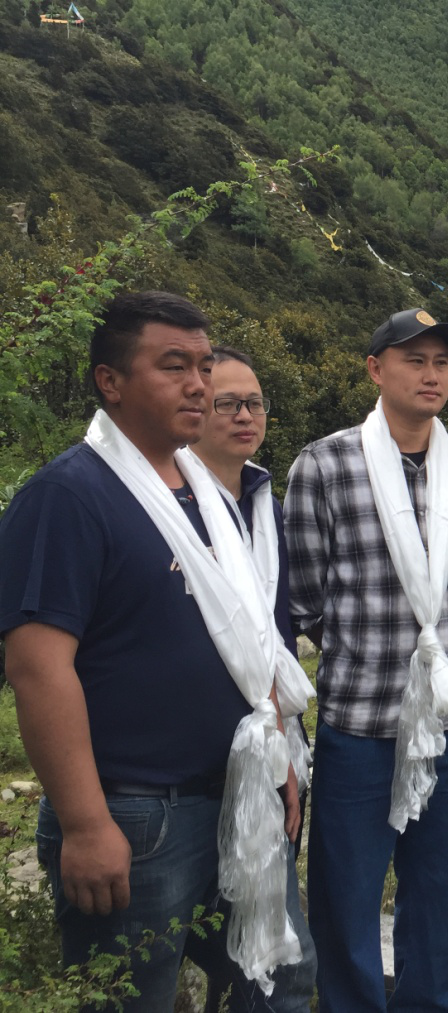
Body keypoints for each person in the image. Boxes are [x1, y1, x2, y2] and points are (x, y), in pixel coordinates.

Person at [0, 291, 315, 1011]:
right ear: (110, 381)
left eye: (203, 366)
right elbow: (37, 667)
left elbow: (252, 637)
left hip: (239, 795)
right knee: (131, 998)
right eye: (174, 366)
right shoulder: (69, 496)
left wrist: (277, 756)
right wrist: (85, 824)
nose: (198, 384)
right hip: (138, 816)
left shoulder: (211, 496)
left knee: (281, 979)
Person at [284, 308, 448, 1013]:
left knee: (445, 891)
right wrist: (377, 650)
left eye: (442, 362)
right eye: (415, 360)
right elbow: (305, 597)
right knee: (346, 895)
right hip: (361, 722)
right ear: (376, 369)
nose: (432, 374)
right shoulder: (325, 465)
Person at [192, 345, 318, 1010]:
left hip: (271, 754)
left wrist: (284, 753)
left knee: (276, 959)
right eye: (228, 403)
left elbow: (276, 636)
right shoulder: (173, 507)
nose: (245, 415)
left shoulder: (270, 506)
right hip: (194, 766)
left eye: (255, 403)